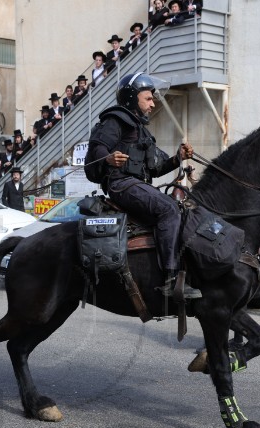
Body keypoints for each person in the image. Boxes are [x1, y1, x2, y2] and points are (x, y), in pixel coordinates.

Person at [85, 72, 199, 299]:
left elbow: (156, 167)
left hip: (136, 184)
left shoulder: (141, 131)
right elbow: (98, 148)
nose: (153, 103)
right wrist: (108, 158)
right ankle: (171, 279)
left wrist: (178, 158)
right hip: (121, 184)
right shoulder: (115, 120)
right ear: (131, 98)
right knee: (169, 208)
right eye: (148, 98)